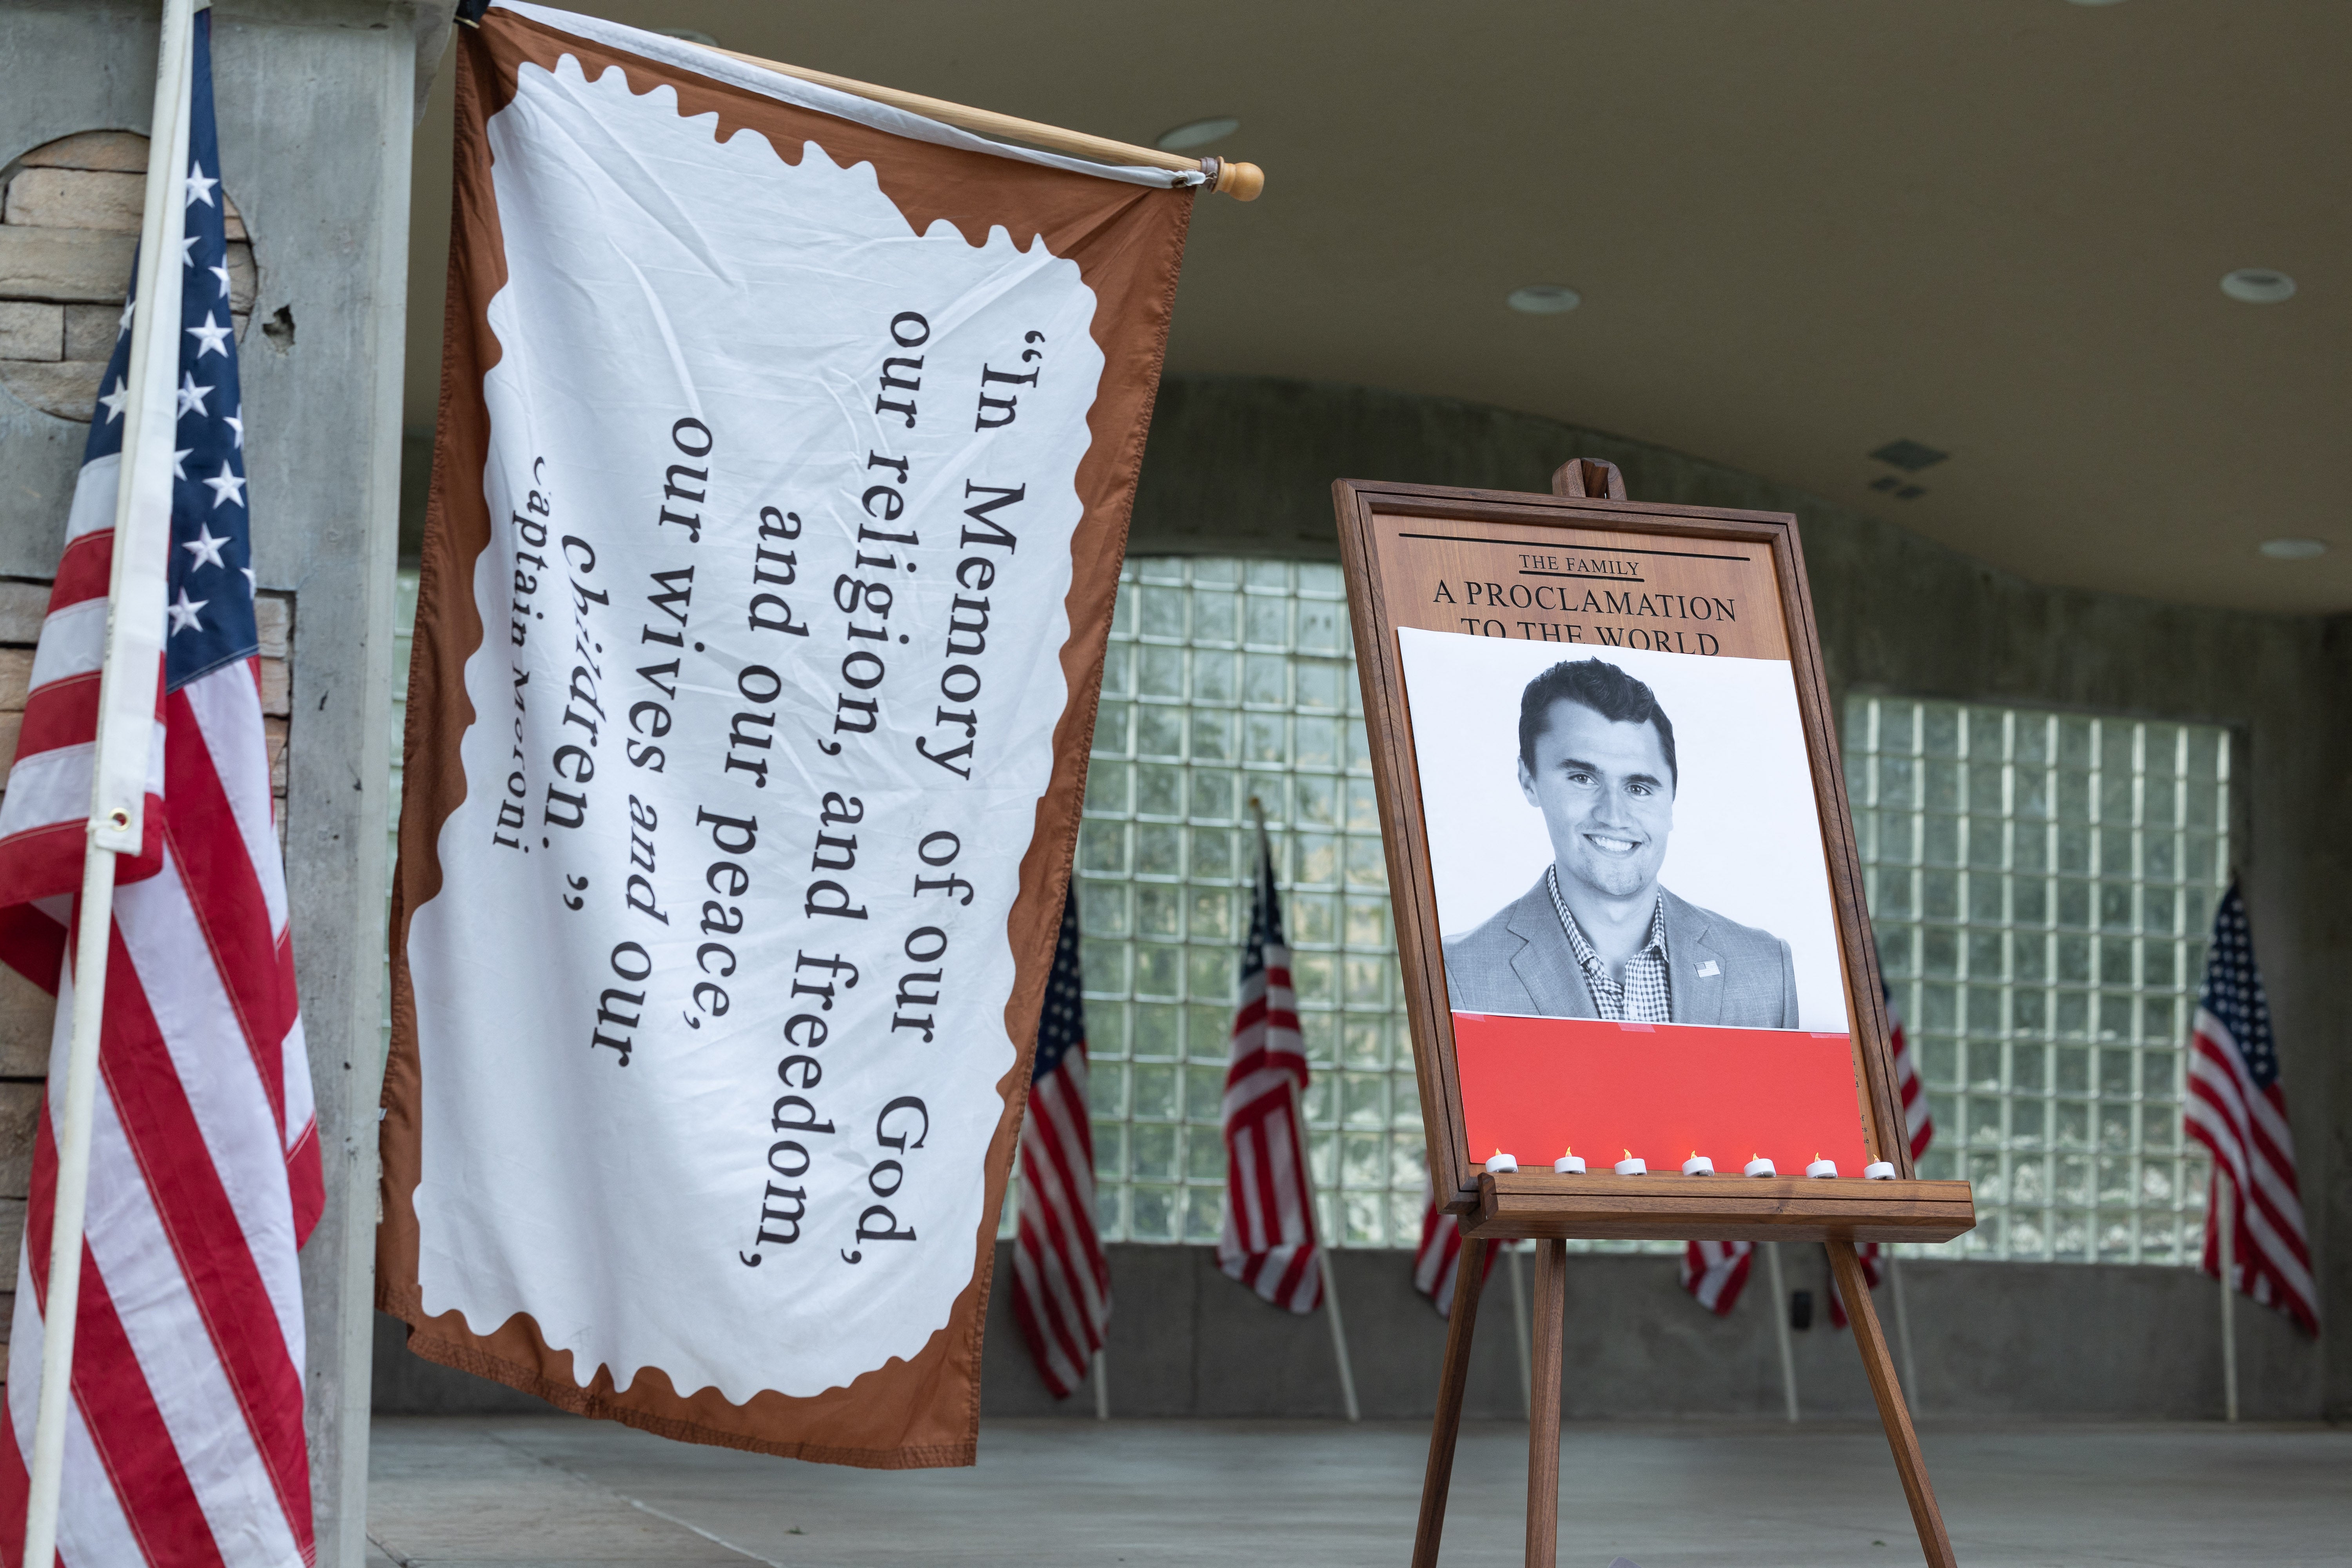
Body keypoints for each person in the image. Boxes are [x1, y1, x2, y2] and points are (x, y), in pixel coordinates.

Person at [1441, 657, 1797, 1027]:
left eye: (1639, 787)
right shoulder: (1457, 973)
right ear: (1529, 780)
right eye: (1582, 778)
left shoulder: (1767, 971)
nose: (1613, 816)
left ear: (1672, 798)